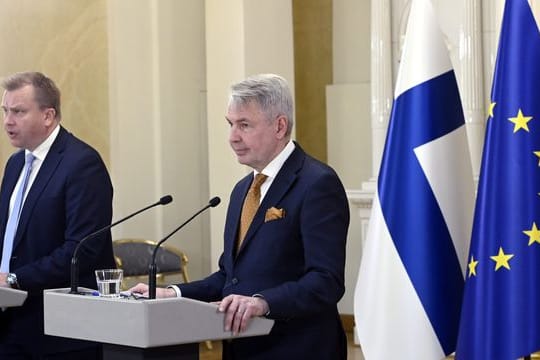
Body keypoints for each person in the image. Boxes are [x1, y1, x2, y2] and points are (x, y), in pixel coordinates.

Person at [131, 73, 350, 359]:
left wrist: (263, 302)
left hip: (298, 348)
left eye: (244, 125)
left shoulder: (317, 183)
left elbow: (326, 281)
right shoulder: (242, 190)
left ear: (280, 126)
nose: (233, 137)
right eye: (230, 124)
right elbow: (229, 278)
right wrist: (172, 293)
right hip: (242, 348)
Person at [0, 71, 116, 359]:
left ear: (48, 116)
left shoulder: (82, 164)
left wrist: (14, 279)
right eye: (5, 111)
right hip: (11, 325)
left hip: (60, 331)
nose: (7, 122)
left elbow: (81, 250)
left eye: (18, 112)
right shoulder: (15, 164)